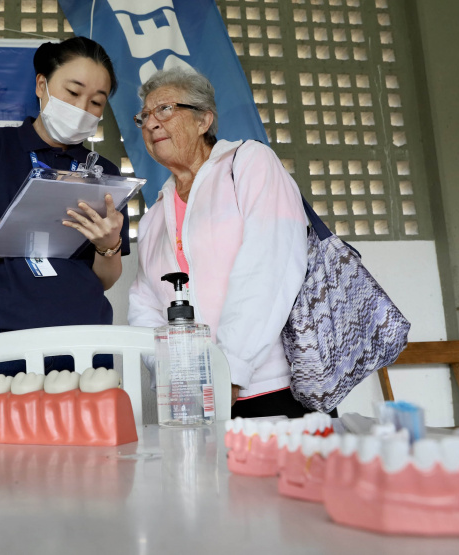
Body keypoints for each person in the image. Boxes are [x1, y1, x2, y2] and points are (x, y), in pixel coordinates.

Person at [0, 37, 130, 429]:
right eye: (73, 92)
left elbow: (105, 278)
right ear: (42, 85)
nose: (82, 109)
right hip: (0, 335)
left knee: (86, 473)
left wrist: (107, 245)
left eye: (96, 102)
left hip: (84, 340)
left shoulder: (105, 173)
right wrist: (37, 215)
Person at [127, 68, 329, 419]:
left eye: (165, 109)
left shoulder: (248, 163)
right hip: (195, 399)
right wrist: (175, 378)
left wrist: (232, 367)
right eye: (144, 115)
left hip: (270, 388)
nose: (151, 123)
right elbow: (144, 306)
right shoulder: (154, 216)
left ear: (204, 119)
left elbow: (270, 265)